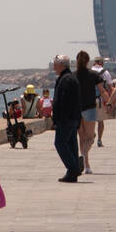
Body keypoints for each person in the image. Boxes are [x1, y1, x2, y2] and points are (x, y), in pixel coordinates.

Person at [51, 54, 82, 182]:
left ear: (62, 65)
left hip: (67, 119)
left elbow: (64, 101)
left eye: (55, 63)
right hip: (73, 118)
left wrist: (58, 118)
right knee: (71, 144)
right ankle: (73, 172)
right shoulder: (69, 78)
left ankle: (73, 168)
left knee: (60, 143)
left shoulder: (66, 79)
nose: (53, 66)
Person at [75, 51, 103, 174]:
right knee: (91, 137)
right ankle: (83, 157)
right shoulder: (94, 75)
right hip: (90, 109)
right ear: (88, 61)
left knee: (81, 137)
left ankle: (86, 164)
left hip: (76, 109)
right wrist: (110, 103)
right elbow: (102, 91)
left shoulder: (73, 75)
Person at [92, 57, 114, 147]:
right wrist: (111, 101)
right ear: (101, 62)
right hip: (101, 99)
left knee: (90, 120)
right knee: (100, 121)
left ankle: (91, 133)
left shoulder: (89, 71)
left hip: (89, 99)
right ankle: (99, 140)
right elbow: (110, 87)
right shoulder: (105, 72)